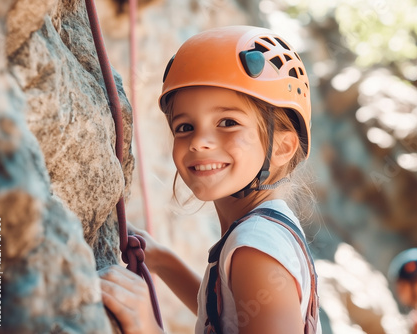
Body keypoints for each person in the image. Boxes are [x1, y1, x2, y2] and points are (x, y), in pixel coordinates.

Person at [99, 25, 320, 334]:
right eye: (185, 127)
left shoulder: (254, 250)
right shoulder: (264, 233)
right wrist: (162, 260)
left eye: (227, 122)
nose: (199, 141)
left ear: (282, 147)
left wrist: (148, 328)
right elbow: (227, 316)